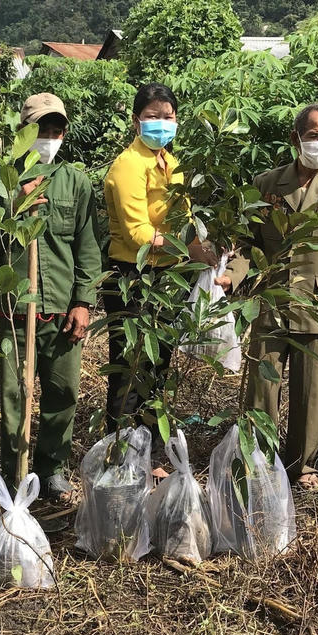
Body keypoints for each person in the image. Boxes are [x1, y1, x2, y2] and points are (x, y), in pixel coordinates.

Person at [236, 104, 318, 492]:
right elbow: (247, 243)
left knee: (313, 393)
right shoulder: (266, 184)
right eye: (314, 135)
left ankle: (301, 465)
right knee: (261, 389)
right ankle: (258, 460)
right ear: (296, 139)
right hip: (271, 301)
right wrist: (231, 278)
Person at [0, 93, 101, 502]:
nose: (48, 138)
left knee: (63, 392)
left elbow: (87, 246)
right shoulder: (1, 180)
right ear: (23, 131)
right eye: (39, 130)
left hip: (61, 309)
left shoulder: (76, 182)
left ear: (64, 135)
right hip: (15, 311)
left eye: (55, 131)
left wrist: (83, 301)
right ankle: (15, 472)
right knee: (14, 397)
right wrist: (14, 206)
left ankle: (51, 468)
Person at [102, 83, 218, 449]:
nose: (161, 124)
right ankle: (120, 452)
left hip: (167, 274)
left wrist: (203, 247)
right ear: (136, 120)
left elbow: (184, 218)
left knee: (158, 364)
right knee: (129, 366)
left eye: (168, 117)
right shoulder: (128, 165)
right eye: (153, 116)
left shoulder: (173, 164)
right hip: (132, 275)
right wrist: (188, 248)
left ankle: (148, 447)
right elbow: (137, 232)